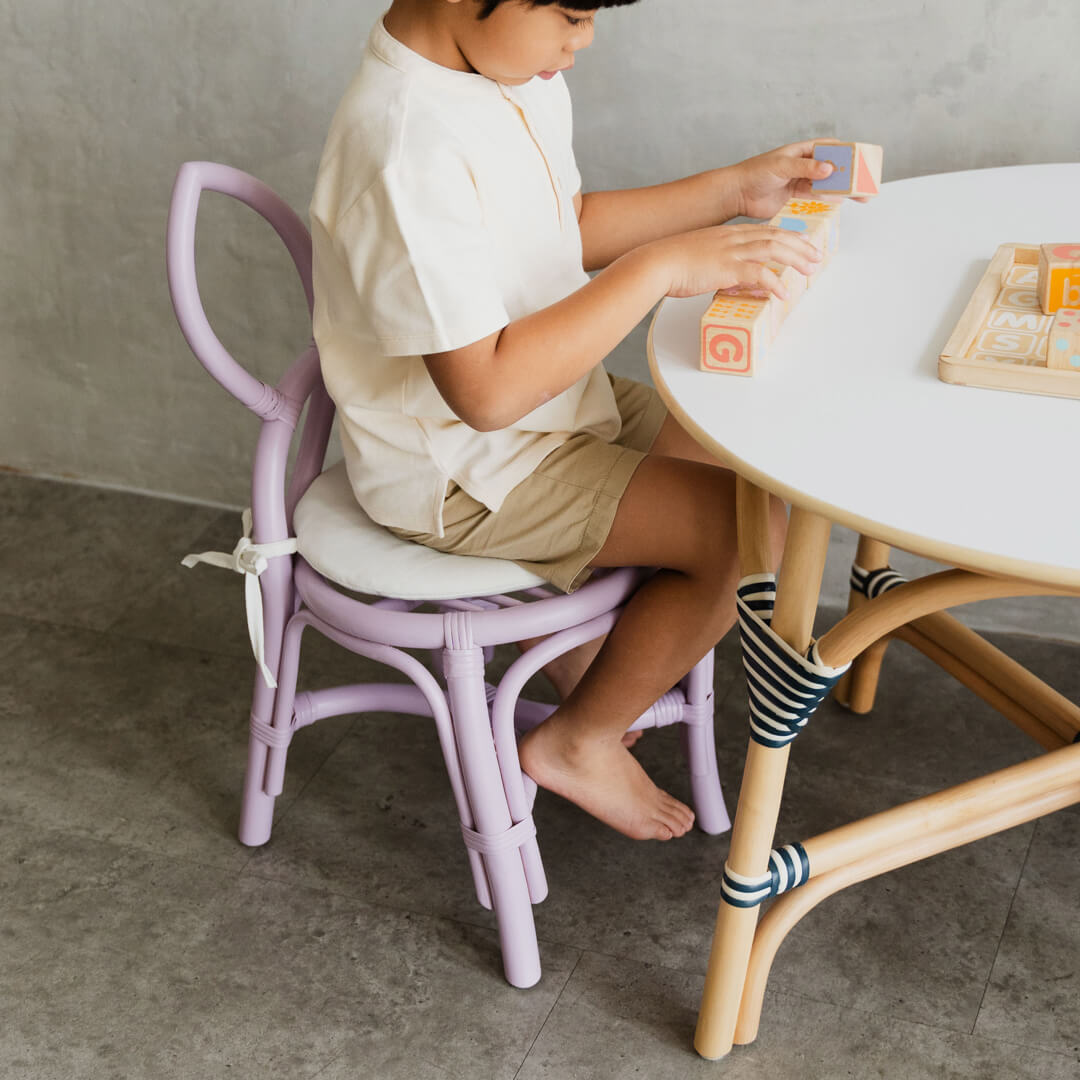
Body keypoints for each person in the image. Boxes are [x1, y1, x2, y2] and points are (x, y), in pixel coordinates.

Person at [310, 0, 836, 842]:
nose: (583, 40)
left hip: (550, 411)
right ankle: (578, 740)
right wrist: (661, 268)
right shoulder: (404, 145)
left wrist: (734, 191)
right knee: (749, 531)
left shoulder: (510, 69)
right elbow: (483, 394)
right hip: (462, 469)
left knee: (739, 430)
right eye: (570, 13)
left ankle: (589, 652)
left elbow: (565, 223)